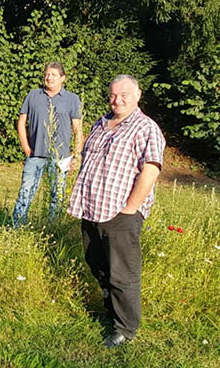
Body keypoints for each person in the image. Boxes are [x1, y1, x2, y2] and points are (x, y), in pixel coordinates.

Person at [68, 75, 165, 348]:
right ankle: (112, 313)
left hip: (120, 213)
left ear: (138, 95)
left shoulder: (146, 128)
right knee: (98, 265)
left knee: (123, 273)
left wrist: (131, 207)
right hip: (91, 209)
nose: (117, 99)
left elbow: (151, 169)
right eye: (112, 95)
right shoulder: (101, 123)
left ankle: (125, 329)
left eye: (124, 94)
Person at [13, 62, 83, 226]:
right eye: (47, 74)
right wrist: (25, 146)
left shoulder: (72, 99)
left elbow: (77, 130)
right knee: (25, 192)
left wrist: (76, 155)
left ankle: (53, 229)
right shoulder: (33, 95)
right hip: (35, 155)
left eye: (53, 74)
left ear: (62, 78)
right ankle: (16, 228)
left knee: (57, 196)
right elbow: (21, 122)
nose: (49, 77)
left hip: (60, 158)